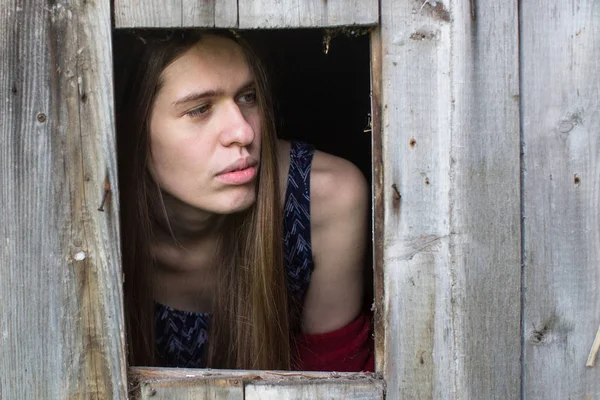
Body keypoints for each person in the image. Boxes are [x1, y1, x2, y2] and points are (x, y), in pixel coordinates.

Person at [114, 29, 373, 371]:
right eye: (200, 109)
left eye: (248, 96)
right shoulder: (88, 215)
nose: (244, 132)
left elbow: (337, 381)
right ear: (134, 127)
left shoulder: (322, 199)